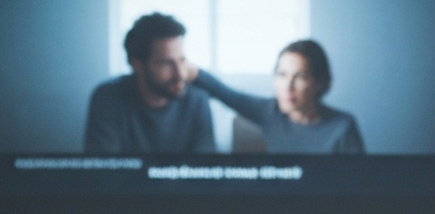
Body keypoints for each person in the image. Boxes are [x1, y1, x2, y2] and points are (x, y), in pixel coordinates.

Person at [187, 40, 364, 154]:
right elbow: (226, 94)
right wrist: (190, 71)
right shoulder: (271, 113)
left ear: (319, 82)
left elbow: (358, 186)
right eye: (282, 75)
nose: (288, 86)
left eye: (300, 77)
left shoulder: (343, 126)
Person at [85, 13, 215, 154]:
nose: (180, 74)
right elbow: (104, 169)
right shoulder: (108, 98)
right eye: (166, 63)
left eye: (182, 60)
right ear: (137, 65)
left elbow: (204, 168)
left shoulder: (197, 100)